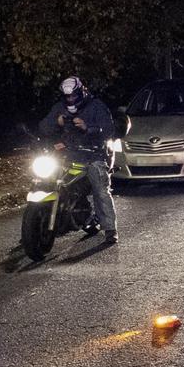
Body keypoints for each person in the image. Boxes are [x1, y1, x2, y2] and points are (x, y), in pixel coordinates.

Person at [38, 76, 119, 243]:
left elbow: (109, 130)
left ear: (81, 92)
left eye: (73, 96)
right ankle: (40, 220)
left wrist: (87, 128)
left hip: (93, 155)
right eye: (67, 97)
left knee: (100, 189)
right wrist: (56, 122)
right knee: (45, 179)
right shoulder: (59, 108)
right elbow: (43, 127)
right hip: (67, 156)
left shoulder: (96, 106)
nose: (70, 99)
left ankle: (110, 229)